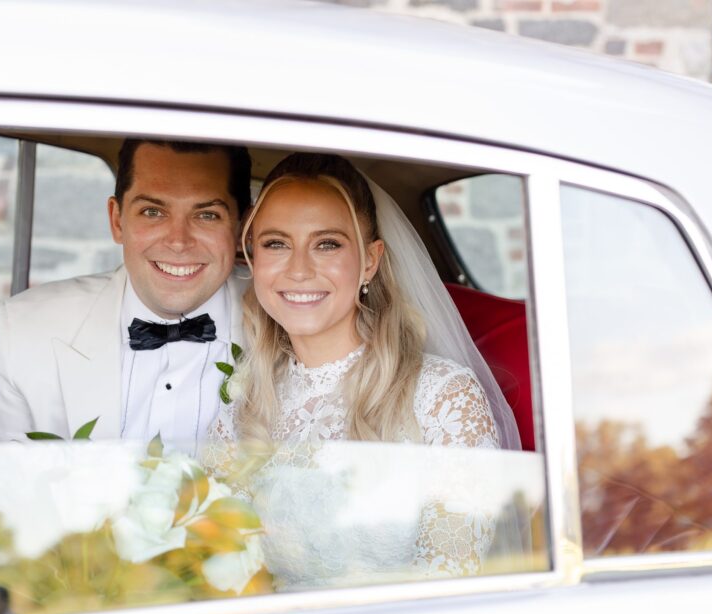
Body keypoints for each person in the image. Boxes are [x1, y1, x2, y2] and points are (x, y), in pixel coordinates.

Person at [203, 152, 521, 590]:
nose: (298, 269)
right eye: (276, 243)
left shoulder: (444, 399)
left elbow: (448, 587)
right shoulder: (243, 408)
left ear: (370, 261)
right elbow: (219, 569)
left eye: (327, 244)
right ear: (252, 257)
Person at [0, 139, 252, 444]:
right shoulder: (22, 331)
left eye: (207, 215)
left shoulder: (291, 329)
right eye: (153, 212)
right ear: (117, 221)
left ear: (241, 229)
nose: (178, 241)